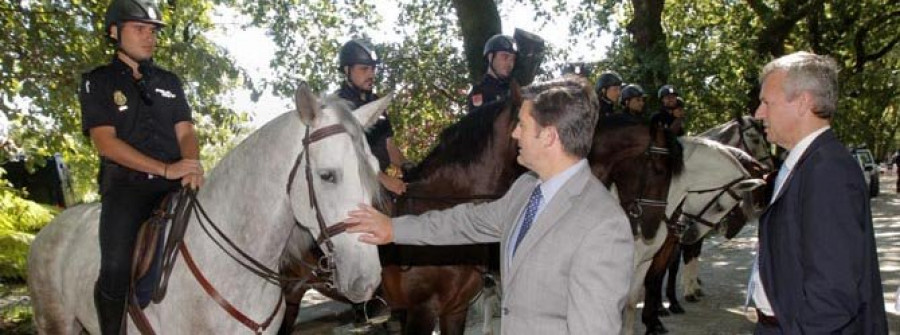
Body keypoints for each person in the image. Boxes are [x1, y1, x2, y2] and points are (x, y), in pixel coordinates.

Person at [347, 78, 634, 334]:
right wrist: (393, 229)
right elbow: (467, 222)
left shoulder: (603, 225)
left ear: (549, 136)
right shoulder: (526, 189)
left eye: (522, 125)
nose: (514, 135)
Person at [80, 0, 204, 333]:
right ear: (114, 32)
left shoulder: (170, 81)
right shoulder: (98, 81)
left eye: (152, 31)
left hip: (176, 184)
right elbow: (106, 143)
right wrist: (166, 169)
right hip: (127, 188)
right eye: (139, 29)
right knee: (116, 267)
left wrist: (191, 164)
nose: (149, 37)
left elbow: (186, 131)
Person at [749, 51, 887, 334]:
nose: (758, 113)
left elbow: (834, 291)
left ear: (802, 102)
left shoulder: (827, 170)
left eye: (766, 102)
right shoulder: (806, 163)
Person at [335, 39, 410, 195]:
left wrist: (409, 166)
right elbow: (345, 157)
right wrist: (382, 178)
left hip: (380, 184)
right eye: (364, 69)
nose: (371, 74)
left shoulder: (376, 102)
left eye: (373, 69)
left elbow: (389, 146)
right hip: (350, 189)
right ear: (347, 70)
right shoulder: (336, 107)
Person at [467, 34, 517, 110]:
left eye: (512, 59)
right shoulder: (479, 91)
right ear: (490, 57)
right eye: (505, 57)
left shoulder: (513, 89)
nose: (510, 63)